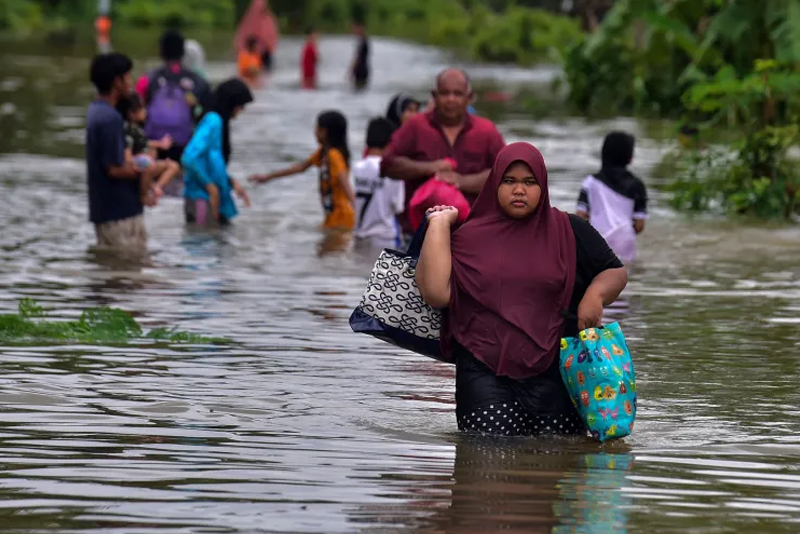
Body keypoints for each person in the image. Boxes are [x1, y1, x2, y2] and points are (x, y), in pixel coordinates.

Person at [416, 142, 628, 436]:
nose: (519, 190)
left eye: (530, 182)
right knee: (485, 463)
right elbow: (436, 293)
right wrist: (439, 223)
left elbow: (615, 270)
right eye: (509, 181)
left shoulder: (569, 230)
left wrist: (595, 295)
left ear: (542, 186)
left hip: (556, 374)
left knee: (554, 464)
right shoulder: (466, 238)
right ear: (494, 184)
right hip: (482, 372)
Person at [381, 68, 505, 233]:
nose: (451, 99)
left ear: (469, 98)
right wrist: (428, 168)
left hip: (473, 234)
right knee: (388, 259)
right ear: (434, 95)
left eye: (457, 94)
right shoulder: (415, 126)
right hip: (417, 234)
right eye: (445, 93)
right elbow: (386, 164)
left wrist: (462, 181)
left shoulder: (486, 131)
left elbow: (505, 174)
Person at [249, 111, 356, 231]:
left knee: (331, 249)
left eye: (317, 128)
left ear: (324, 132)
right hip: (332, 216)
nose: (314, 132)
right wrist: (268, 177)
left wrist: (358, 208)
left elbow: (344, 180)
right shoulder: (322, 152)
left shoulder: (333, 155)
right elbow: (300, 167)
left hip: (341, 218)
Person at [86, 52, 149, 250]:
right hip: (119, 212)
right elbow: (115, 169)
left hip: (107, 210)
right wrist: (146, 168)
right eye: (128, 77)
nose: (131, 82)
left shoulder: (96, 111)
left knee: (118, 273)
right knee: (128, 272)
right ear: (117, 81)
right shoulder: (110, 119)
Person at [181, 78, 253, 226]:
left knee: (215, 244)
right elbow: (189, 157)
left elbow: (211, 161)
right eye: (241, 105)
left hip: (209, 198)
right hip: (201, 198)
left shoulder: (218, 122)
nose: (242, 110)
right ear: (232, 103)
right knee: (202, 244)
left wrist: (231, 182)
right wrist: (210, 187)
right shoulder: (214, 120)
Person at [136, 30, 213, 163]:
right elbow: (208, 115)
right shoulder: (199, 81)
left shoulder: (147, 79)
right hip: (186, 145)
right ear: (183, 52)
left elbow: (135, 111)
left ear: (161, 51)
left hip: (155, 144)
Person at [576, 131, 648, 265]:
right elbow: (639, 225)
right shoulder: (637, 185)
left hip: (596, 240)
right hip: (624, 241)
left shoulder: (590, 182)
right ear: (630, 157)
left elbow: (580, 216)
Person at [116, 92, 180, 205]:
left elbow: (144, 143)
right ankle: (144, 194)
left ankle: (156, 187)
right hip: (137, 163)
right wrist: (136, 159)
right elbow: (127, 154)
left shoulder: (137, 129)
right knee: (150, 162)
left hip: (147, 163)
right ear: (132, 113)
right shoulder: (127, 129)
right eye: (142, 109)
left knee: (173, 166)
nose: (145, 111)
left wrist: (160, 144)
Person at [352, 117, 405, 248]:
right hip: (386, 240)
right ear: (390, 143)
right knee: (393, 270)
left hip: (359, 238)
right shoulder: (393, 173)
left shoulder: (355, 168)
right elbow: (398, 208)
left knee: (359, 269)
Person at [235, 0, 278, 72]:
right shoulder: (249, 20)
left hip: (265, 55)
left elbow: (271, 39)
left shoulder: (268, 21)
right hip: (250, 56)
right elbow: (242, 38)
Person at [350, 19, 370, 90]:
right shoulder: (364, 40)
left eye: (355, 29)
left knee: (358, 89)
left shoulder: (362, 41)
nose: (354, 31)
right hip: (363, 69)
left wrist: (351, 70)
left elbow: (358, 57)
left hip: (361, 69)